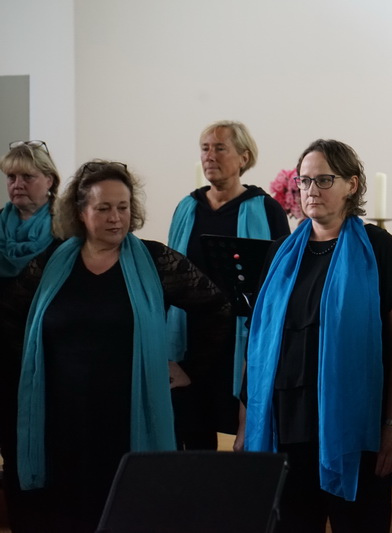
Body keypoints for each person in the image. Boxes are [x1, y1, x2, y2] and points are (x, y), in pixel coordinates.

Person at [0, 161, 231, 532]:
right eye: (104, 208)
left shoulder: (156, 261)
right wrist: (35, 366)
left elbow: (218, 308)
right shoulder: (52, 264)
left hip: (128, 417)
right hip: (63, 420)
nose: (115, 217)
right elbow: (10, 315)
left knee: (126, 513)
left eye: (123, 207)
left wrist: (189, 367)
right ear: (80, 212)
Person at [238, 139, 392, 532]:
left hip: (354, 429)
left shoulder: (377, 248)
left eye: (323, 180)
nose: (311, 190)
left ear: (351, 185)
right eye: (304, 181)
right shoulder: (281, 253)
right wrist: (245, 425)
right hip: (285, 426)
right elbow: (257, 344)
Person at [167, 120, 290, 451]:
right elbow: (171, 277)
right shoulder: (187, 208)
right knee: (192, 436)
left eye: (220, 148)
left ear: (243, 157)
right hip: (191, 341)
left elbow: (283, 281)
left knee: (244, 441)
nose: (210, 156)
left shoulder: (266, 209)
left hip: (239, 342)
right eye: (205, 148)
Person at [0, 140, 60, 532]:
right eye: (11, 177)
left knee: (52, 447)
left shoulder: (66, 231)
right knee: (12, 447)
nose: (17, 184)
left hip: (51, 359)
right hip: (5, 359)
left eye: (27, 176)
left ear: (50, 181)